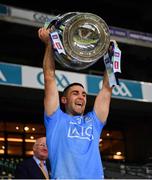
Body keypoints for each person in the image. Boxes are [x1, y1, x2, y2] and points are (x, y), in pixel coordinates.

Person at [38, 27, 113, 179]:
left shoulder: (94, 121)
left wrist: (111, 58)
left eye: (84, 94)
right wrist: (48, 45)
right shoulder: (55, 118)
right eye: (75, 93)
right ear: (64, 100)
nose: (81, 97)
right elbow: (49, 77)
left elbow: (106, 88)